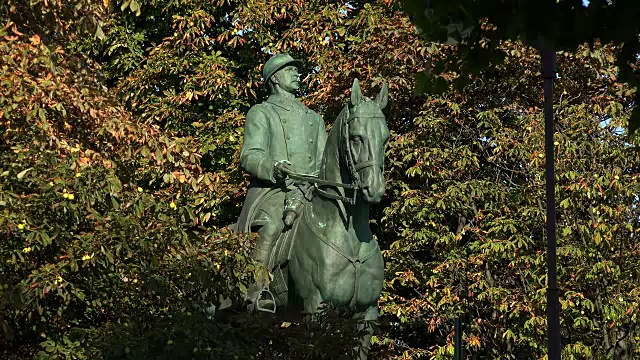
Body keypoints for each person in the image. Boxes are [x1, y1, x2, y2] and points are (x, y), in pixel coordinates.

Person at [234, 54, 327, 270]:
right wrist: (274, 167)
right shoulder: (262, 112)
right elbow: (250, 155)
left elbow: (324, 159)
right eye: (289, 70)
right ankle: (256, 289)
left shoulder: (314, 118)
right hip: (275, 189)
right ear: (274, 79)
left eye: (296, 70)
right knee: (272, 227)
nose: (297, 73)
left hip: (311, 189)